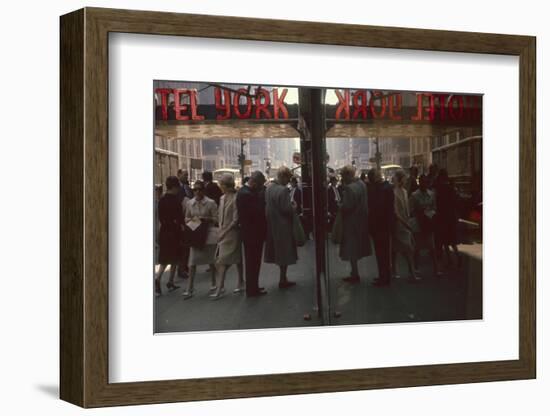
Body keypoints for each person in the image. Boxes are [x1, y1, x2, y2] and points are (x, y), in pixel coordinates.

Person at [182, 180, 219, 299]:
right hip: (195, 235)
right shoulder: (190, 203)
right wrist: (192, 220)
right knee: (192, 263)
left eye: (200, 189)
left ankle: (214, 283)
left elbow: (216, 218)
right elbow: (186, 217)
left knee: (211, 262)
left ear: (204, 190)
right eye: (195, 189)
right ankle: (189, 287)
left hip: (208, 234)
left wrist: (205, 219)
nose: (197, 192)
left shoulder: (211, 203)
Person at [210, 174, 244, 299]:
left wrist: (225, 231)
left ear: (226, 185)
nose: (220, 187)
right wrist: (220, 230)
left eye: (221, 184)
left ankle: (220, 289)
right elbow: (220, 216)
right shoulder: (222, 198)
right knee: (233, 259)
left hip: (232, 233)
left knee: (225, 261)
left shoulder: (235, 198)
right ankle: (240, 282)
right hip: (223, 232)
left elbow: (235, 219)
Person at [264, 167, 298, 289]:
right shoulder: (283, 190)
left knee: (278, 252)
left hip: (272, 225)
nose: (288, 181)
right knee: (284, 253)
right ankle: (283, 279)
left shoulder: (269, 188)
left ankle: (283, 278)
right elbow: (286, 209)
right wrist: (294, 206)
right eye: (288, 178)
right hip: (283, 226)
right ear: (283, 176)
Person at [237, 171, 268, 297]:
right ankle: (252, 289)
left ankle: (254, 286)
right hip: (252, 234)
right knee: (252, 262)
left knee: (254, 262)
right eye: (260, 185)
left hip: (252, 233)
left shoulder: (246, 192)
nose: (261, 187)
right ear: (254, 183)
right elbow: (257, 212)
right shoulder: (246, 194)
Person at [339, 165, 371, 283]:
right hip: (362, 220)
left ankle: (355, 273)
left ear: (348, 175)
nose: (342, 178)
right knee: (357, 246)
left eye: (343, 175)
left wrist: (340, 206)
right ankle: (354, 272)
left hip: (351, 222)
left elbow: (347, 206)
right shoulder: (362, 185)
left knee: (352, 248)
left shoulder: (349, 188)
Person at [154, 176, 184, 296]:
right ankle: (165, 280)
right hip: (174, 232)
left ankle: (164, 280)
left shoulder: (161, 200)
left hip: (164, 232)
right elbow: (180, 217)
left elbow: (161, 218)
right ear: (175, 187)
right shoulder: (176, 201)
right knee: (174, 258)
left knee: (165, 258)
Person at [409, 174, 441, 277]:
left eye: (426, 182)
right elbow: (411, 210)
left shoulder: (431, 194)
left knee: (432, 247)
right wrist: (420, 213)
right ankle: (416, 269)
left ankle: (436, 269)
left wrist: (430, 213)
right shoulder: (414, 195)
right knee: (417, 248)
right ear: (419, 183)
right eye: (422, 182)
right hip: (418, 224)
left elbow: (434, 208)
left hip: (428, 223)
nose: (424, 184)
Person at [367, 168, 394, 287]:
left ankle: (384, 277)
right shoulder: (387, 188)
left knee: (381, 253)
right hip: (385, 225)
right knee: (384, 252)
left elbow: (376, 208)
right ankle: (385, 276)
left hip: (379, 226)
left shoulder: (378, 190)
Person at [391, 170, 419, 281]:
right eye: (403, 178)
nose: (405, 179)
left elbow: (407, 208)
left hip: (405, 224)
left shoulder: (405, 191)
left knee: (401, 249)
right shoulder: (394, 193)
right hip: (399, 225)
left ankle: (403, 271)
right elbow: (396, 212)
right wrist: (405, 224)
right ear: (399, 179)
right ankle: (410, 273)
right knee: (404, 249)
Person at [433, 169, 461, 268]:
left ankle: (449, 259)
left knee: (444, 240)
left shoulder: (440, 189)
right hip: (451, 217)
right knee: (452, 240)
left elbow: (437, 203)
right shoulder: (451, 188)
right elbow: (456, 202)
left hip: (443, 217)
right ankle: (456, 256)